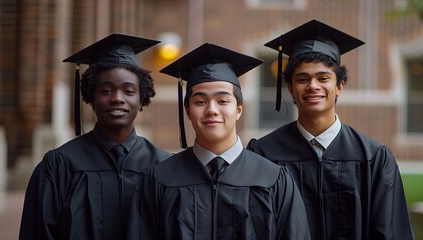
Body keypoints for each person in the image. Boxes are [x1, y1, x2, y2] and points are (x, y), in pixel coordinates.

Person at [247, 19, 415, 240]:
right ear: (290, 88)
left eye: (323, 78)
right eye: (302, 79)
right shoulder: (264, 155)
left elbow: (391, 232)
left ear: (339, 86)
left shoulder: (374, 158)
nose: (313, 86)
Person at [127, 43, 310, 240]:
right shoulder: (159, 179)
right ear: (187, 111)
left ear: (239, 110)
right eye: (200, 102)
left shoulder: (273, 179)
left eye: (223, 101)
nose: (212, 110)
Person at [19, 33, 172, 240]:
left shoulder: (164, 167)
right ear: (90, 95)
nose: (117, 98)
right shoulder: (59, 166)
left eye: (129, 91)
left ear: (142, 97)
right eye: (106, 90)